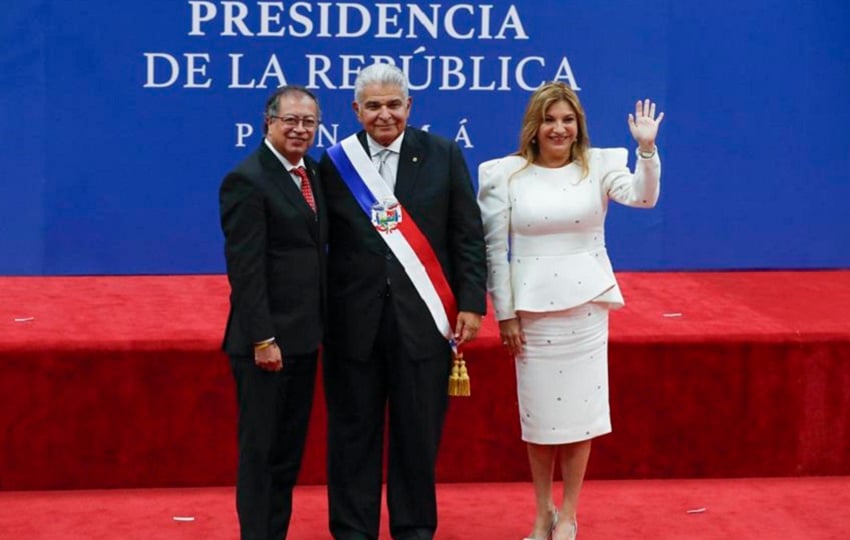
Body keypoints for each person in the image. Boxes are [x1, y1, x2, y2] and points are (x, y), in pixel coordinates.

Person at [477, 82, 664, 540]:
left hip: (585, 308)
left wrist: (646, 150)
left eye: (567, 119)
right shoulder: (504, 173)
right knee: (540, 420)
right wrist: (504, 314)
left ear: (578, 124)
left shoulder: (600, 165)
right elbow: (492, 249)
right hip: (532, 312)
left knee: (580, 417)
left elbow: (643, 197)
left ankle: (569, 515)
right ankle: (542, 513)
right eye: (549, 119)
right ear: (534, 127)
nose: (559, 128)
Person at [319, 62, 487, 540]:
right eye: (373, 106)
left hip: (424, 322)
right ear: (356, 110)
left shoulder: (443, 155)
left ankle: (413, 527)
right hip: (353, 321)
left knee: (417, 435)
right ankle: (353, 529)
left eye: (394, 105)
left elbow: (467, 237)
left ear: (410, 107)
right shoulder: (334, 163)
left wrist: (472, 304)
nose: (384, 115)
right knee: (353, 433)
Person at [219, 85, 326, 540]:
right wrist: (263, 338)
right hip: (266, 345)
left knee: (286, 455)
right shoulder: (247, 179)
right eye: (291, 121)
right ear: (269, 124)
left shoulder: (314, 174)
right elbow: (246, 269)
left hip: (305, 339)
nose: (300, 130)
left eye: (309, 123)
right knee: (261, 455)